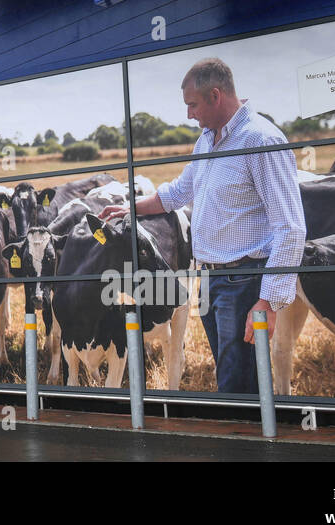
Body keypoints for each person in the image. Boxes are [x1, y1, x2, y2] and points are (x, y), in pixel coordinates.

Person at [100, 57, 306, 395]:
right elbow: (179, 192)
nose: (188, 114)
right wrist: (129, 209)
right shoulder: (208, 141)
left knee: (237, 381)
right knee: (233, 373)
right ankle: (249, 437)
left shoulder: (261, 140)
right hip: (211, 279)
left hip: (244, 281)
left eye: (192, 105)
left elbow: (291, 227)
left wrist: (268, 302)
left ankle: (250, 442)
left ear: (215, 95)